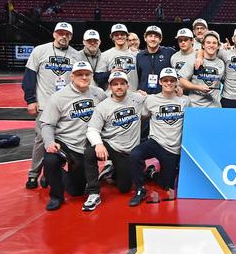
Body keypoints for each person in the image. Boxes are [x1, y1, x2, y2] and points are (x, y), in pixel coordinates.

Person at [39, 61, 107, 210]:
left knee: (76, 191)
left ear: (91, 76)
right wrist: (49, 142)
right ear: (71, 76)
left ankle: (50, 174)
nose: (84, 77)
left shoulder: (99, 93)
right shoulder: (58, 97)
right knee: (51, 160)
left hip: (83, 146)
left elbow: (114, 103)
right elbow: (47, 124)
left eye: (87, 74)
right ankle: (56, 197)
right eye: (79, 74)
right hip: (63, 142)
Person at [22, 22, 81, 189]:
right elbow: (29, 77)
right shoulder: (40, 50)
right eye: (60, 33)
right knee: (41, 140)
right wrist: (30, 100)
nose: (64, 36)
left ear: (71, 36)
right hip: (45, 105)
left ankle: (50, 174)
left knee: (64, 140)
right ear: (54, 34)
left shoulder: (76, 55)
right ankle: (33, 174)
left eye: (67, 34)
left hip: (67, 108)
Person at [83, 71, 145, 211]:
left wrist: (177, 91)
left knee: (124, 188)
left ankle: (112, 170)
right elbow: (92, 129)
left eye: (122, 83)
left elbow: (158, 99)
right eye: (115, 84)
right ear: (110, 86)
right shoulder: (103, 106)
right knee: (89, 152)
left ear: (128, 85)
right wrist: (98, 144)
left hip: (128, 151)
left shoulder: (138, 99)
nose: (119, 87)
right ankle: (93, 192)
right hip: (111, 146)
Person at [129, 68, 189, 206]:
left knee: (166, 185)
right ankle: (139, 188)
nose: (169, 83)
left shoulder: (185, 101)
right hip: (155, 142)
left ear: (176, 82)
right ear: (160, 82)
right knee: (135, 154)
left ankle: (152, 173)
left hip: (173, 148)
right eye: (165, 80)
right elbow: (143, 116)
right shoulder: (151, 99)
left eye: (172, 80)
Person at [178, 30, 225, 108]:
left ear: (218, 46)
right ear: (203, 45)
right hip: (195, 106)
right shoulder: (194, 60)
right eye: (208, 42)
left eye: (214, 43)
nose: (211, 45)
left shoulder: (221, 63)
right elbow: (181, 80)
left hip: (214, 107)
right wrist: (198, 88)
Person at [97, 24, 138, 91]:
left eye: (122, 34)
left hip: (132, 94)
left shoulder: (136, 54)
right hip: (113, 95)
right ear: (112, 37)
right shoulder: (105, 55)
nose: (119, 37)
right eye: (116, 35)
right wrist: (110, 73)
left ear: (127, 36)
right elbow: (98, 78)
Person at [136, 25, 174, 95]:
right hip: (144, 96)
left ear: (160, 39)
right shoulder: (139, 56)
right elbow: (137, 77)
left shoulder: (169, 52)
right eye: (150, 36)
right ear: (145, 38)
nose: (153, 39)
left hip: (163, 96)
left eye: (156, 36)